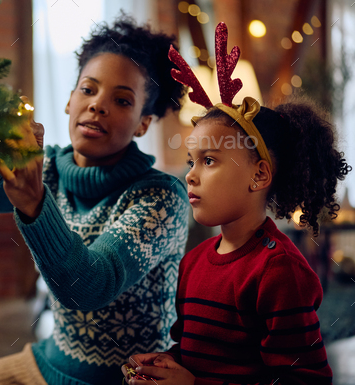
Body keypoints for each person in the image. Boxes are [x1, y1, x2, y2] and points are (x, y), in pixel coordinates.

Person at [0, 15, 189, 385]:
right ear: (69, 100)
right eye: (88, 90)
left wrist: (33, 203)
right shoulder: (45, 169)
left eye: (122, 100)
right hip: (48, 363)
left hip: (129, 379)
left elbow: (89, 286)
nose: (97, 105)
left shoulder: (161, 198)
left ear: (143, 122)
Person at [122, 22, 350, 385]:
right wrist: (166, 362)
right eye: (191, 162)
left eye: (209, 161)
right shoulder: (193, 262)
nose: (191, 176)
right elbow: (201, 354)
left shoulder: (278, 272)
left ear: (259, 175)